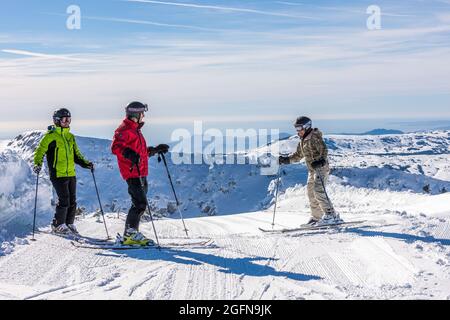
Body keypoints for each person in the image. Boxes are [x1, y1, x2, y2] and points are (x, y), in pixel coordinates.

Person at [111, 101, 170, 246]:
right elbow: (115, 147)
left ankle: (131, 232)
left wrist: (155, 150)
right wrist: (128, 153)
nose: (143, 116)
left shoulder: (135, 130)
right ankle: (130, 234)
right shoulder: (124, 129)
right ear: (136, 114)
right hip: (132, 171)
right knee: (139, 203)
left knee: (139, 202)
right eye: (142, 113)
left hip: (140, 171)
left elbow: (141, 153)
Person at [33, 108, 93, 234]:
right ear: (57, 121)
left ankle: (69, 223)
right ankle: (58, 224)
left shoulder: (70, 136)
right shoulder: (50, 137)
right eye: (65, 119)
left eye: (69, 119)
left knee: (72, 200)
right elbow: (40, 151)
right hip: (57, 173)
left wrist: (85, 164)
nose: (67, 122)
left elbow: (76, 155)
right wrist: (37, 163)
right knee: (64, 199)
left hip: (71, 173)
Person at [279, 116, 341, 226]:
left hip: (321, 168)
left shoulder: (314, 137)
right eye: (296, 129)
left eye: (299, 128)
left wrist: (321, 160)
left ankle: (331, 215)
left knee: (318, 190)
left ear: (307, 126)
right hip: (312, 170)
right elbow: (298, 156)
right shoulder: (303, 141)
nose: (298, 131)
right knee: (311, 193)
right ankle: (317, 218)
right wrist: (286, 160)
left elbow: (324, 150)